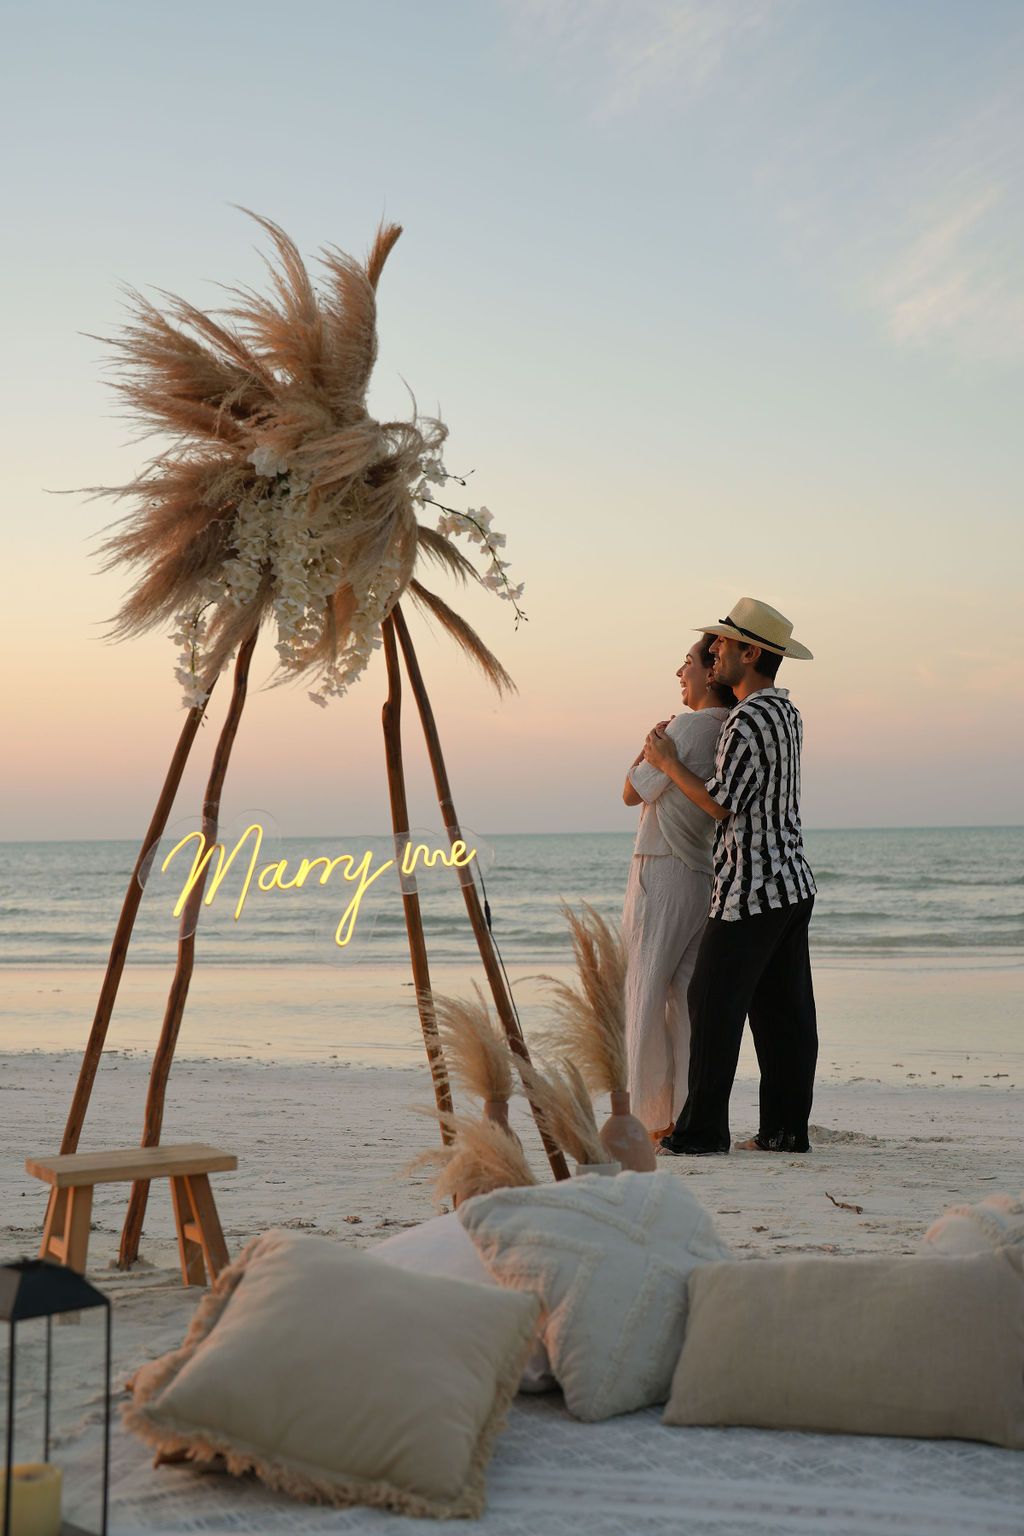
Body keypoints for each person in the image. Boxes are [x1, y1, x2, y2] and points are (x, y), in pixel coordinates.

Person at [642, 598, 817, 1155]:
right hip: (790, 882)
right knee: (783, 1018)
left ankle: (700, 1133)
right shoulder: (786, 713)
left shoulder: (748, 718)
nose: (713, 650)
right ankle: (784, 1132)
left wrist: (669, 763)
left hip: (751, 889)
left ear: (751, 652)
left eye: (723, 643)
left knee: (713, 1009)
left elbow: (722, 804)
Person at [621, 636, 736, 1139]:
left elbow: (630, 792)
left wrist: (648, 746)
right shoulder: (726, 729)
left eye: (687, 662)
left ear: (711, 672)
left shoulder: (685, 729)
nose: (679, 672)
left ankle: (647, 1117)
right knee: (687, 1003)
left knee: (644, 994)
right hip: (700, 874)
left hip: (660, 870)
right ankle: (688, 1114)